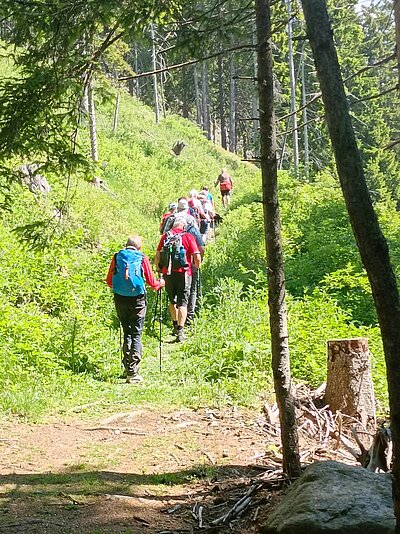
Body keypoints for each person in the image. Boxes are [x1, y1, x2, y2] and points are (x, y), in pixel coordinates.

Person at [106, 236, 165, 384]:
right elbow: (151, 281)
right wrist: (160, 284)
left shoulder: (117, 256)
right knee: (136, 333)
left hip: (120, 298)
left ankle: (127, 367)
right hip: (138, 299)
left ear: (126, 245)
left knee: (127, 332)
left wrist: (121, 289)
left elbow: (109, 281)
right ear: (139, 247)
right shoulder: (141, 257)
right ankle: (133, 372)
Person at [155, 219, 201, 342]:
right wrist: (197, 266)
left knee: (172, 300)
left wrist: (159, 269)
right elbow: (196, 255)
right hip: (184, 274)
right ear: (183, 226)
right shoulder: (188, 236)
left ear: (172, 225)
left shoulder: (166, 236)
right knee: (183, 302)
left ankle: (175, 325)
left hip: (168, 273)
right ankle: (181, 331)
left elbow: (158, 255)